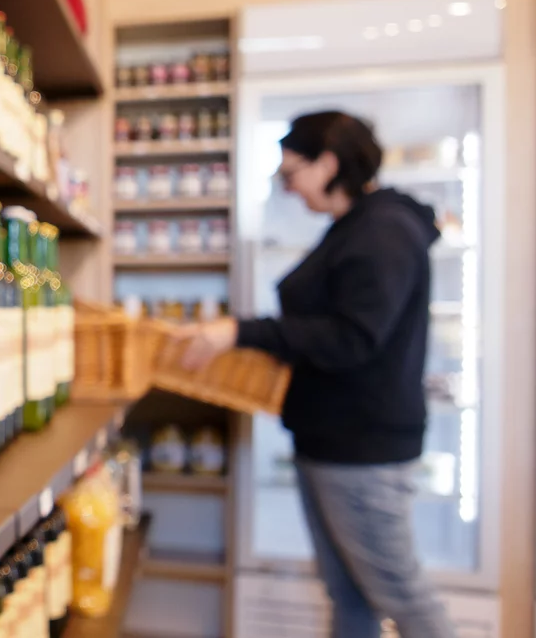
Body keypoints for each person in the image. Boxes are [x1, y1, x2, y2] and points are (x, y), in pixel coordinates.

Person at [176, 111, 455, 638]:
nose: (291, 188)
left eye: (291, 174)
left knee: (403, 597)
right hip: (335, 443)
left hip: (361, 449)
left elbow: (350, 338)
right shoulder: (359, 226)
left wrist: (242, 333)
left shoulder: (382, 230)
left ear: (328, 163)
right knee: (350, 596)